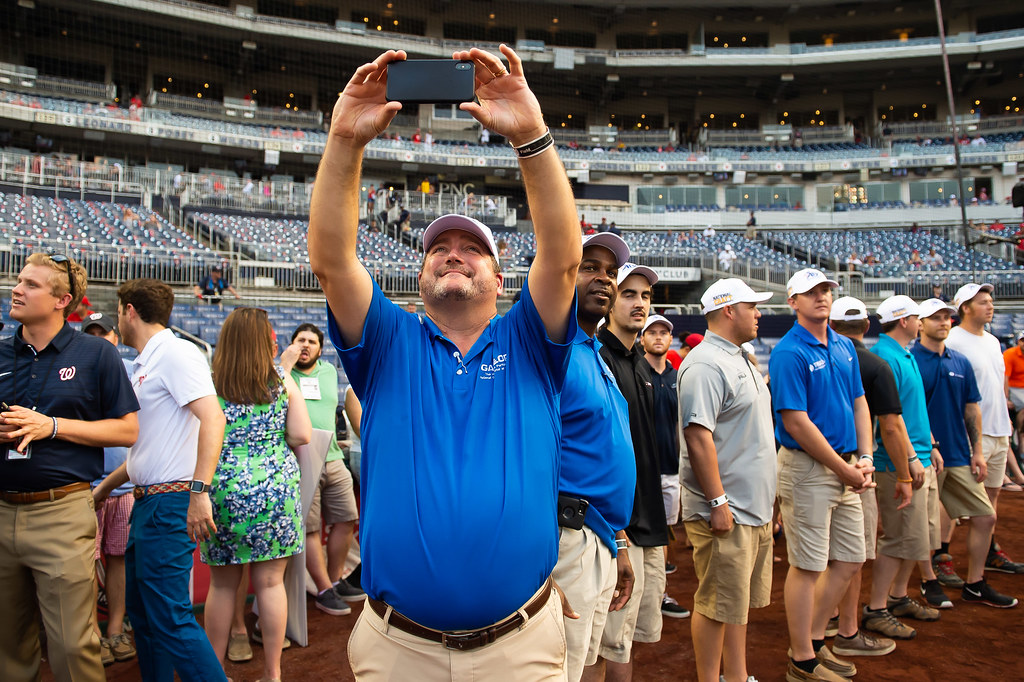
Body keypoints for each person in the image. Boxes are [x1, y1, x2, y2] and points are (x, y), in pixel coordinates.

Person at [308, 46, 581, 680]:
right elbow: (332, 261)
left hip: (520, 647)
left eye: (472, 248)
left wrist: (532, 138)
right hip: (398, 648)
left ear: (500, 278)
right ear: (420, 274)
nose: (453, 254)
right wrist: (344, 141)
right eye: (439, 248)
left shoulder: (530, 340)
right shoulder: (387, 341)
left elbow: (564, 259)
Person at [0, 254, 139, 682]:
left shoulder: (96, 354)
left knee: (72, 645)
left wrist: (52, 426)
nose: (16, 289)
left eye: (31, 285)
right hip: (2, 511)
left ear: (62, 300)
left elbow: (127, 430)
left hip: (61, 512)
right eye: (19, 280)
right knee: (8, 645)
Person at [93, 278, 228, 682]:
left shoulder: (175, 353)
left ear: (129, 311)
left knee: (169, 618)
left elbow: (214, 418)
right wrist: (102, 490)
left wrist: (199, 492)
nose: (118, 318)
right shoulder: (148, 361)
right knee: (145, 617)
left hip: (169, 502)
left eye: (118, 311)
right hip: (148, 502)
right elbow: (147, 449)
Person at [769, 268, 875, 682]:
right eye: (811, 292)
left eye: (826, 290)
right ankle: (802, 658)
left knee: (850, 558)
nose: (822, 297)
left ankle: (812, 642)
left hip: (845, 466)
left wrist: (864, 457)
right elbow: (795, 422)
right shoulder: (788, 351)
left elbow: (859, 402)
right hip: (809, 469)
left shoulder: (844, 345)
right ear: (793, 301)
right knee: (808, 566)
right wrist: (845, 468)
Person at [202, 308, 312, 682]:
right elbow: (302, 434)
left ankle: (215, 673)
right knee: (270, 584)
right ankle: (272, 674)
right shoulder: (281, 381)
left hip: (224, 489)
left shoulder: (212, 383)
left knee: (222, 586)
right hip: (275, 490)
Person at [677, 278, 776, 682]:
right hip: (727, 508)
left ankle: (736, 675)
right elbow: (698, 436)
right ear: (729, 310)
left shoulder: (740, 357)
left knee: (735, 605)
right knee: (716, 605)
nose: (759, 314)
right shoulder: (705, 363)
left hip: (751, 506)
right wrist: (718, 502)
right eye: (752, 306)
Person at [552, 232, 636, 682]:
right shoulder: (553, 351)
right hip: (564, 538)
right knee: (556, 670)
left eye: (611, 271)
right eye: (589, 267)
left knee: (584, 665)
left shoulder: (594, 352)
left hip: (599, 535)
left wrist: (617, 541)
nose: (604, 278)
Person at [911, 298, 1017, 608]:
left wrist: (977, 451)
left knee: (985, 516)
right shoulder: (910, 360)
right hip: (924, 454)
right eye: (935, 318)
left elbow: (972, 408)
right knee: (924, 523)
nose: (944, 322)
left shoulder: (960, 361)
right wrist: (927, 447)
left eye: (947, 317)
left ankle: (975, 583)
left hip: (958, 453)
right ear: (920, 324)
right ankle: (928, 579)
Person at [828, 296, 919, 649]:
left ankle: (828, 618)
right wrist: (905, 475)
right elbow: (891, 427)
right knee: (852, 555)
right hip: (856, 465)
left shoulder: (812, 358)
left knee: (819, 556)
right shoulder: (875, 365)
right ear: (867, 326)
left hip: (810, 463)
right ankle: (846, 627)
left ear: (831, 325)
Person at [595, 262, 669, 681]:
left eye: (645, 296)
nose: (639, 303)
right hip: (616, 530)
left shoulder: (639, 361)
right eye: (628, 294)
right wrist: (619, 535)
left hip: (647, 524)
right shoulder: (598, 357)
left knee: (625, 642)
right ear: (609, 301)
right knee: (602, 648)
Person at [868, 297, 949, 612]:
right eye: (917, 317)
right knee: (899, 538)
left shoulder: (902, 354)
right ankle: (878, 607)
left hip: (918, 456)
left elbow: (913, 411)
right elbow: (891, 420)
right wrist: (912, 458)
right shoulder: (885, 357)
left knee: (916, 538)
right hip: (898, 462)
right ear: (904, 321)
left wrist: (930, 446)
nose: (920, 322)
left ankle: (898, 596)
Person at [945, 283, 1024, 573]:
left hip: (998, 429)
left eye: (990, 301)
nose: (990, 306)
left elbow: (998, 383)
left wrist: (1005, 419)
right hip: (970, 434)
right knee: (953, 501)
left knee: (991, 499)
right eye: (982, 302)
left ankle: (989, 551)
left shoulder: (992, 341)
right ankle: (942, 556)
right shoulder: (952, 340)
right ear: (965, 308)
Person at [291, 323, 364, 616]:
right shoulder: (283, 374)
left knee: (347, 518)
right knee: (310, 527)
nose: (305, 345)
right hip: (300, 459)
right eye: (300, 340)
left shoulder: (329, 372)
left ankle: (335, 580)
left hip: (332, 456)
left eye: (312, 341)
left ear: (321, 349)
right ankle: (324, 589)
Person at [83, 312, 138, 666]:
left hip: (124, 484)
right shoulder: (74, 371)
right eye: (91, 334)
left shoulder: (132, 370)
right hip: (84, 486)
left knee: (118, 561)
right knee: (85, 565)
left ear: (115, 337)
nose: (99, 339)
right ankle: (91, 636)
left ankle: (115, 629)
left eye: (103, 333)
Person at [639, 313, 688, 617]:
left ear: (670, 339)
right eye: (652, 332)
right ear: (642, 338)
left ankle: (659, 594)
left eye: (663, 333)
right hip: (640, 471)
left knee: (664, 534)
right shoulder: (634, 371)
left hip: (670, 468)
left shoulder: (678, 377)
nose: (658, 337)